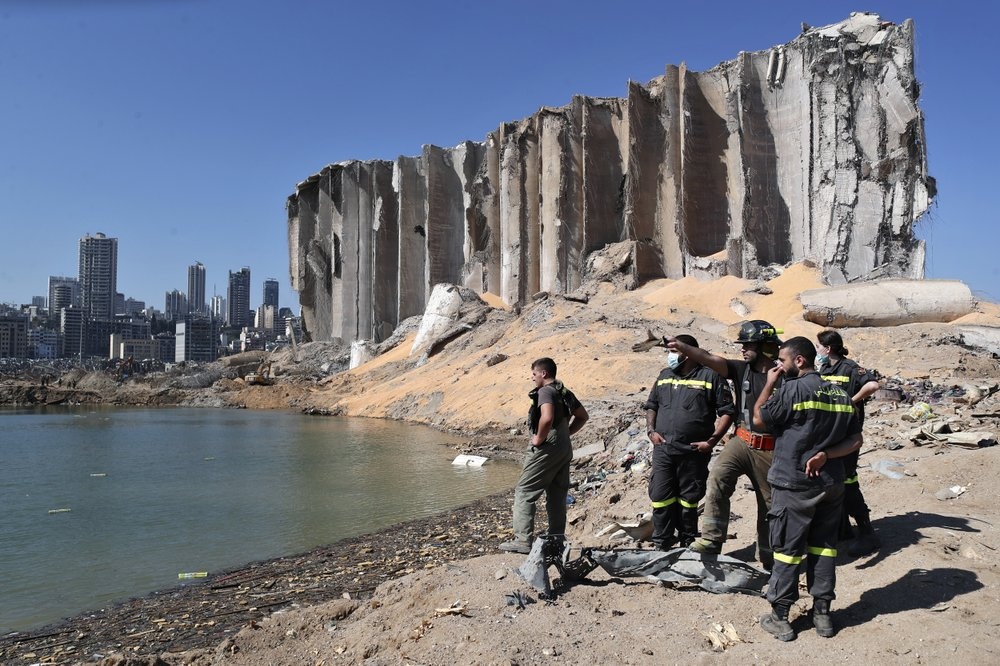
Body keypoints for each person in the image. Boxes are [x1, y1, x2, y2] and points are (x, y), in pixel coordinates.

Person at [753, 336, 863, 641]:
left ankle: (781, 617)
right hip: (831, 484)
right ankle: (823, 615)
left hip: (795, 483)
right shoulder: (840, 395)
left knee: (787, 551)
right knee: (825, 547)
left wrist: (769, 383)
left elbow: (758, 419)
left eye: (782, 361)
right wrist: (827, 455)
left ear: (799, 361)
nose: (779, 366)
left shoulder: (792, 389)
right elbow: (855, 441)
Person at [667, 320, 783, 569]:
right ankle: (711, 539)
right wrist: (682, 346)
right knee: (718, 478)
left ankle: (768, 555)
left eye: (748, 344)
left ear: (763, 346)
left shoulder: (784, 377)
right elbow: (708, 357)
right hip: (741, 441)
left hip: (771, 448)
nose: (742, 349)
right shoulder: (742, 370)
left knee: (769, 504)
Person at [645, 335, 734, 550]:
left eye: (675, 352)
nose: (670, 357)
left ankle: (687, 542)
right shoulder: (664, 376)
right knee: (660, 498)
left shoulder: (710, 377)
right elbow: (652, 405)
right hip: (663, 450)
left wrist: (712, 441)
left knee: (688, 499)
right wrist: (651, 431)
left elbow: (727, 412)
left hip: (694, 452)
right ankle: (662, 543)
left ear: (690, 353)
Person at [499, 357, 589, 554]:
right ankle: (557, 539)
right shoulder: (563, 391)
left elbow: (547, 417)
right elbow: (583, 416)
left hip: (548, 446)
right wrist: (566, 433)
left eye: (534, 374)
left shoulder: (546, 391)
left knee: (524, 491)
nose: (531, 378)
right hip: (564, 447)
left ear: (543, 374)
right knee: (557, 495)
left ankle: (522, 541)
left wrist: (539, 438)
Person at [816, 330, 882, 556]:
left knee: (849, 482)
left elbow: (873, 386)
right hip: (827, 435)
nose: (817, 351)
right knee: (832, 484)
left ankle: (867, 532)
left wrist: (851, 402)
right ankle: (842, 529)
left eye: (819, 347)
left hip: (846, 436)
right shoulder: (824, 369)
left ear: (828, 348)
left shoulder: (851, 368)